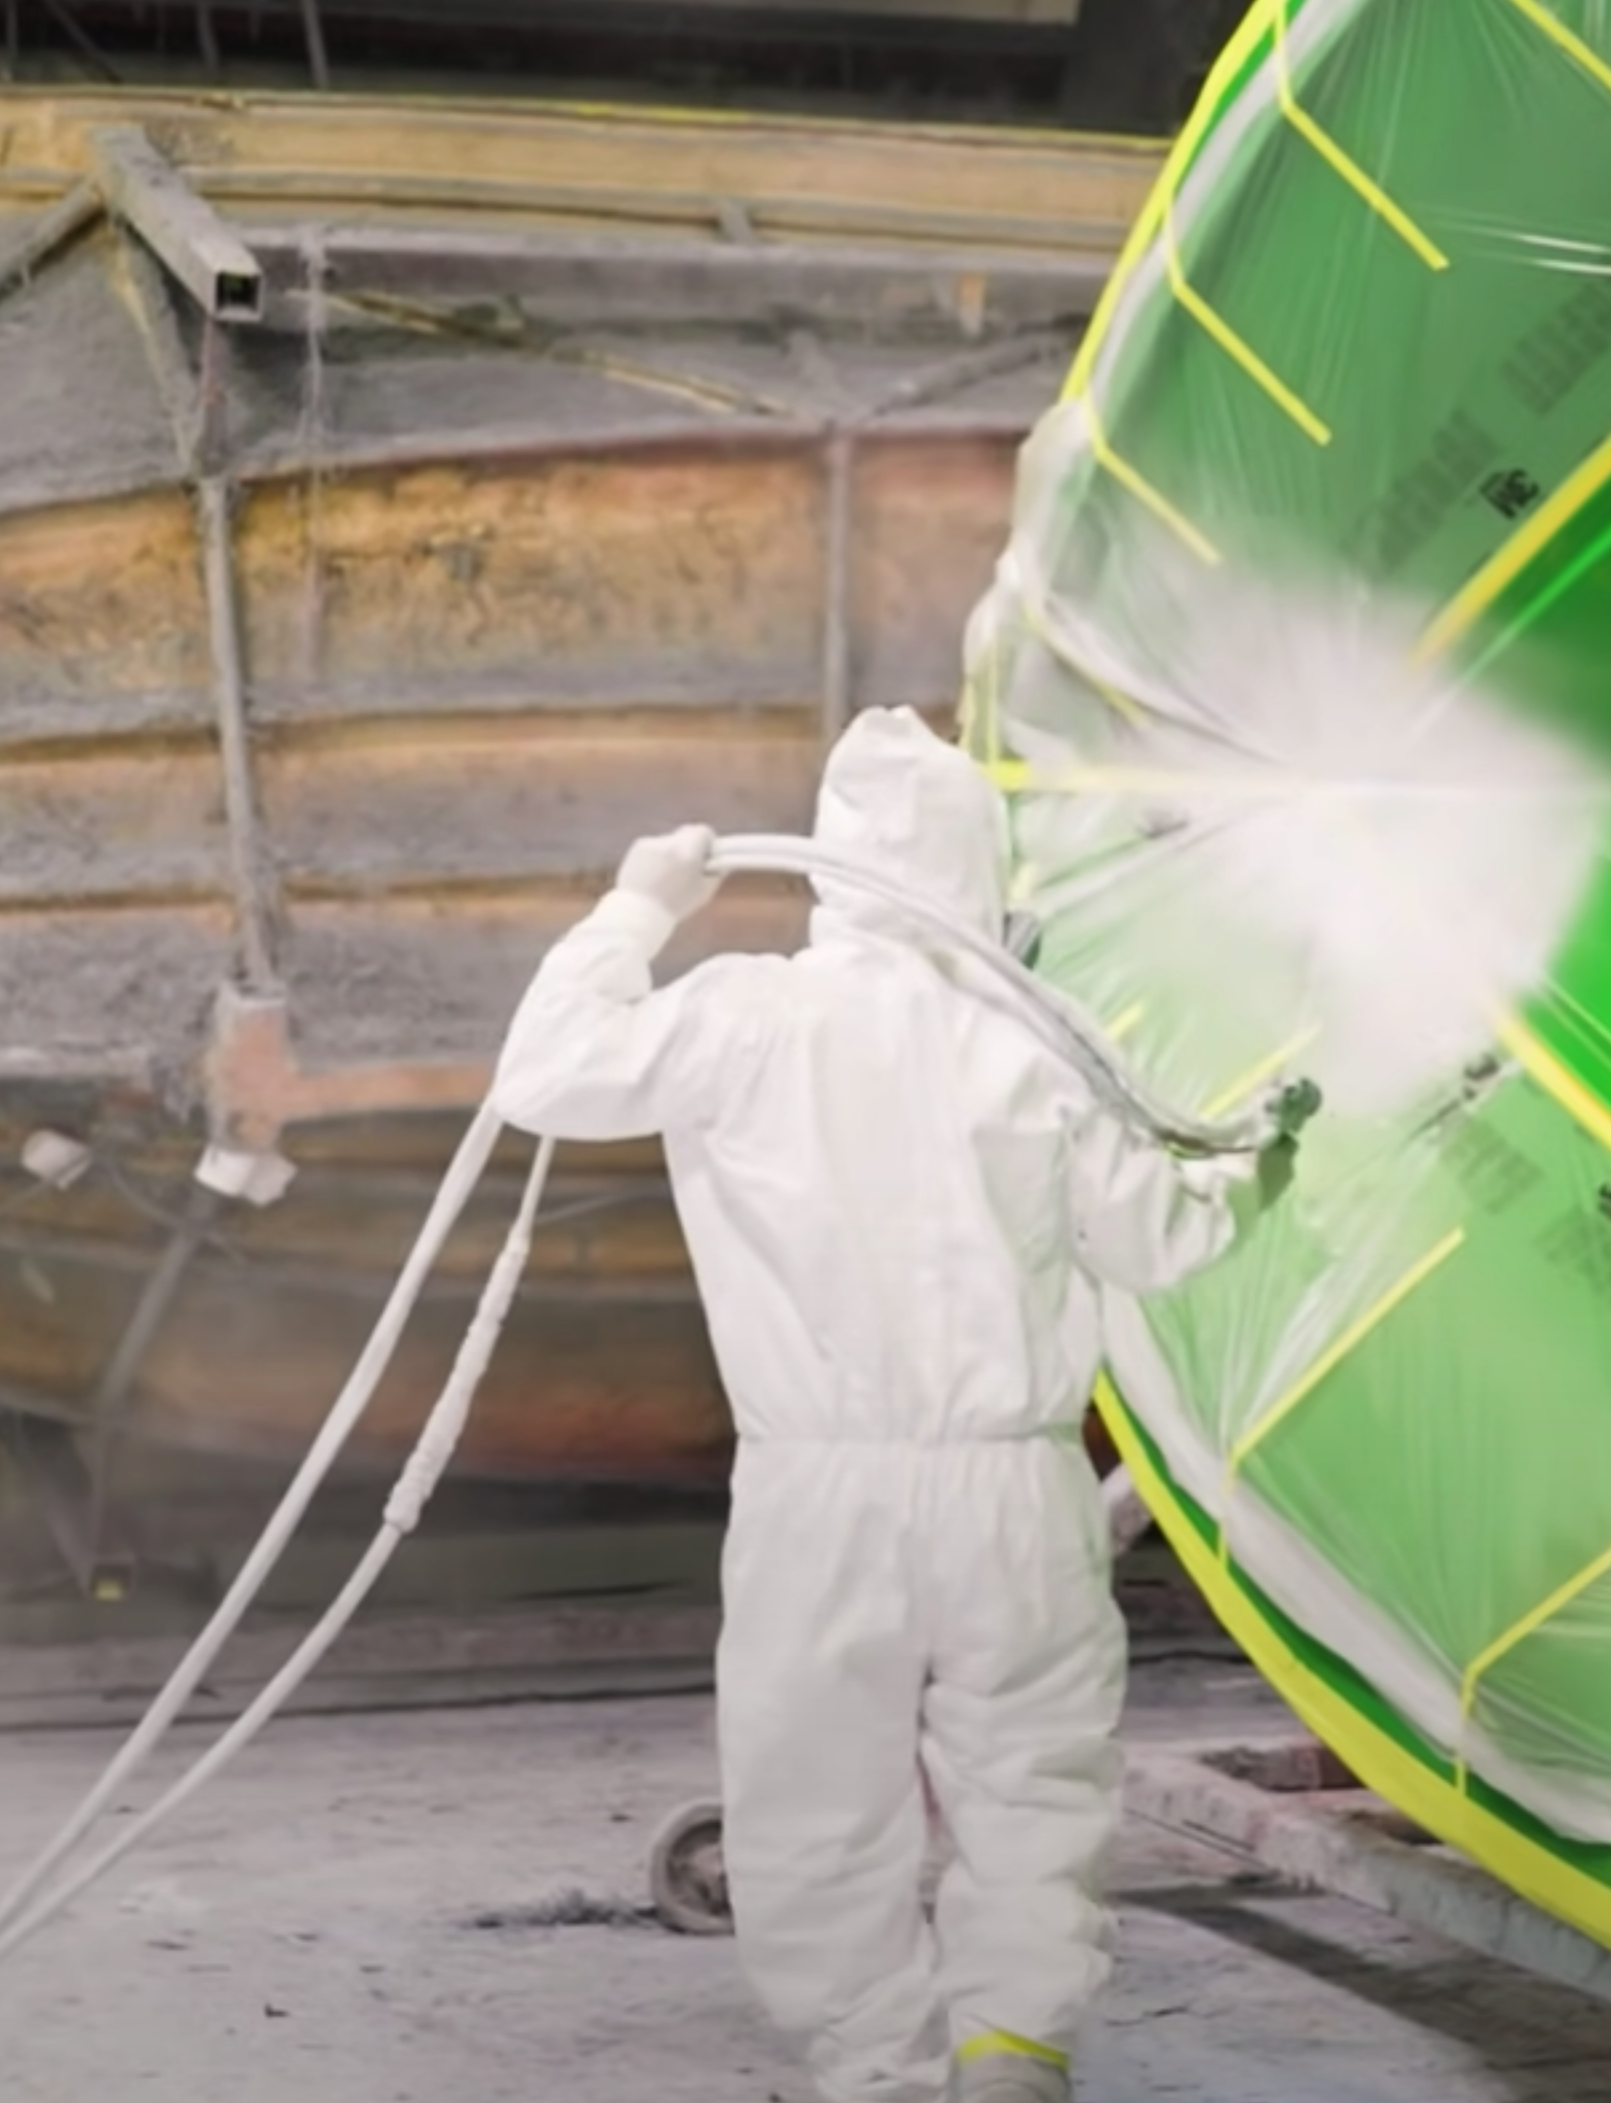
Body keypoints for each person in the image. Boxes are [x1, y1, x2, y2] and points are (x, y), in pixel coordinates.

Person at [493, 706, 1279, 2103]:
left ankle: (876, 2074)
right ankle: (1012, 2052)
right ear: (980, 871)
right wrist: (1260, 1167)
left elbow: (546, 1073)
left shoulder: (744, 1013)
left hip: (818, 1491)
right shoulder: (1031, 1047)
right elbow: (1165, 1240)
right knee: (1031, 1783)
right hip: (1014, 1485)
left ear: (829, 868)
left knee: (817, 1800)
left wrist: (636, 907)